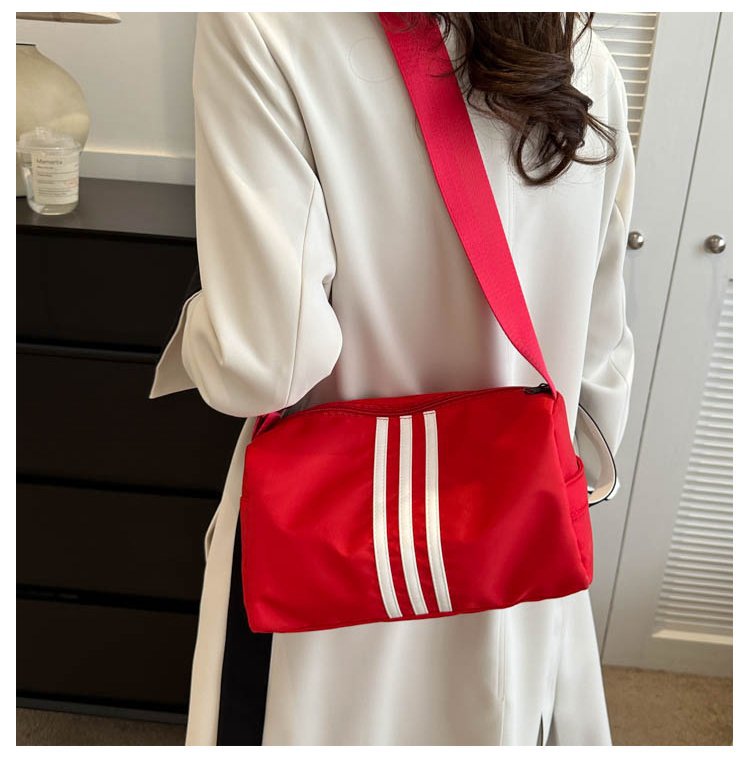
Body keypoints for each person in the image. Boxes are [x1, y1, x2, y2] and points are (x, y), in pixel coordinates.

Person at [149, 11, 635, 746]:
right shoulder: (579, 53)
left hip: (335, 564)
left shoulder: (261, 26)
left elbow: (266, 363)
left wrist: (198, 330)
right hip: (518, 551)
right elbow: (602, 354)